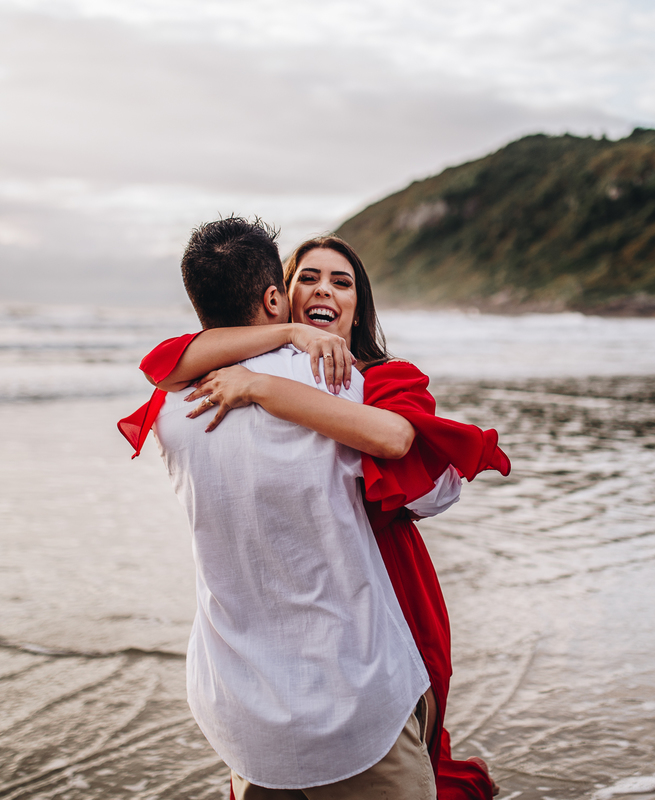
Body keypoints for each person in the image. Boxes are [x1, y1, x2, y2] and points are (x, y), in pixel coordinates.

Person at [120, 234, 510, 799]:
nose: (324, 289)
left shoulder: (375, 382)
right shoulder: (212, 375)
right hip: (298, 643)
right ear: (279, 297)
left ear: (359, 307)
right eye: (308, 278)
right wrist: (285, 339)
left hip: (380, 591)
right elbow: (163, 362)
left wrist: (261, 386)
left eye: (341, 282)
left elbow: (403, 451)